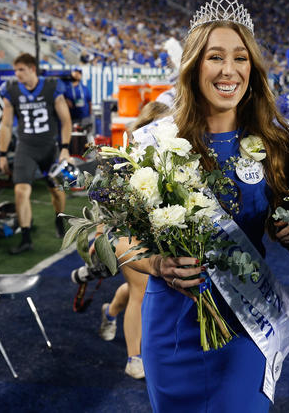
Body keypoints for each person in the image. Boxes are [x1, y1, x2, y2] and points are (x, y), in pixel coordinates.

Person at [122, 0, 289, 412]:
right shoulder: (154, 143)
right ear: (194, 66)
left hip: (245, 327)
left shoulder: (273, 143)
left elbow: (282, 228)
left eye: (240, 57)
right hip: (172, 327)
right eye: (214, 57)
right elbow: (114, 237)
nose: (228, 69)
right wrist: (158, 265)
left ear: (252, 70)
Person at [96, 101, 170, 380]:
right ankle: (134, 358)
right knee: (139, 292)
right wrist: (100, 235)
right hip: (130, 234)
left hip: (162, 233)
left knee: (144, 287)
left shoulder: (171, 157)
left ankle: (111, 310)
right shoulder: (122, 161)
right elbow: (106, 204)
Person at [0, 53, 72, 254]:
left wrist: (65, 148)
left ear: (32, 68)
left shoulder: (51, 87)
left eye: (21, 69)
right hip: (26, 147)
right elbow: (5, 124)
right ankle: (26, 238)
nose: (16, 74)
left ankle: (59, 219)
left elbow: (66, 120)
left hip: (49, 147)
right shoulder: (11, 90)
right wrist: (2, 153)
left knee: (57, 190)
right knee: (21, 191)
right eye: (15, 70)